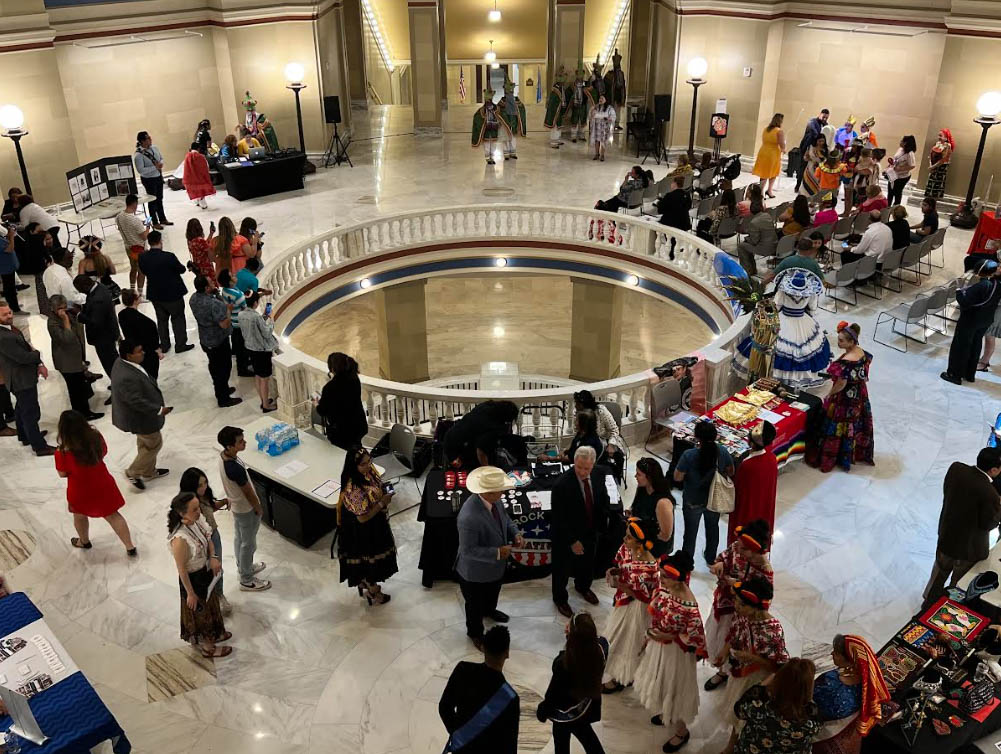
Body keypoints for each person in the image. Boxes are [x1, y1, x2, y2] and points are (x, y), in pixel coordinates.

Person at [634, 550, 707, 752]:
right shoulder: (664, 590)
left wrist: (672, 637)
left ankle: (681, 730)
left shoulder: (689, 607)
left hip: (677, 655)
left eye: (666, 577)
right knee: (661, 681)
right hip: (659, 647)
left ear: (679, 579)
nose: (661, 579)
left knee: (675, 688)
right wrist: (650, 636)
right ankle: (667, 712)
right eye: (662, 575)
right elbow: (656, 613)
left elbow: (696, 641)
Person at [922, 447, 1001, 608]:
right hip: (969, 549)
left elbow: (947, 493)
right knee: (957, 583)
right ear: (993, 470)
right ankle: (945, 609)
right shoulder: (990, 493)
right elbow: (988, 524)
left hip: (947, 535)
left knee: (938, 573)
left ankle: (928, 603)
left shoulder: (956, 469)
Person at [455, 466, 524, 646]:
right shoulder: (468, 517)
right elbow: (467, 550)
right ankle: (475, 632)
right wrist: (498, 553)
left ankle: (490, 610)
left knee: (492, 593)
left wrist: (515, 533)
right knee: (474, 605)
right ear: (487, 492)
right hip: (475, 573)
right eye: (499, 490)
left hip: (494, 568)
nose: (502, 492)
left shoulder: (496, 501)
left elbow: (506, 520)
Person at [716, 576, 790, 740]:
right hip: (739, 672)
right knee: (736, 712)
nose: (737, 606)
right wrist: (724, 651)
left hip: (755, 680)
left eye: (742, 604)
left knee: (745, 716)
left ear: (757, 607)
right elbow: (734, 633)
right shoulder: (742, 614)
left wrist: (752, 658)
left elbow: (779, 668)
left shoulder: (772, 631)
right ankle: (732, 743)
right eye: (736, 601)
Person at [703, 520, 774, 694]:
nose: (738, 550)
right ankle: (722, 672)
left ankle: (730, 673)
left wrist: (736, 584)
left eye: (744, 549)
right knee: (719, 638)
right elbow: (724, 558)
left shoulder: (765, 571)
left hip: (743, 615)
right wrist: (720, 564)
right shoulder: (738, 546)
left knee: (734, 645)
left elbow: (763, 602)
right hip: (724, 604)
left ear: (755, 549)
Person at [55, 409, 135, 554]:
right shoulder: (96, 438)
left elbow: (62, 473)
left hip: (79, 490)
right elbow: (104, 452)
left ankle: (83, 541)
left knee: (79, 515)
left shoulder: (62, 452)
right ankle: (130, 546)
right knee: (113, 515)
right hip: (103, 483)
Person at [735, 269, 832, 388]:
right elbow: (812, 309)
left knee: (771, 346)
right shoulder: (810, 294)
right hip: (803, 321)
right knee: (803, 351)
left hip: (783, 319)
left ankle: (769, 377)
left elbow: (776, 305)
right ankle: (793, 381)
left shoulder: (783, 291)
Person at [167, 492, 231, 658]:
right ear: (182, 513)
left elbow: (208, 538)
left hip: (206, 572)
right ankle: (208, 647)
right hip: (193, 580)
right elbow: (181, 569)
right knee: (201, 613)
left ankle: (217, 633)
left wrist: (214, 556)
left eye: (198, 507)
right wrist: (190, 593)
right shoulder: (180, 540)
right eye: (194, 509)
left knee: (212, 605)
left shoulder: (196, 520)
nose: (199, 512)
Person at [551, 446, 612, 617]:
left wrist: (603, 520)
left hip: (591, 531)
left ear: (593, 464)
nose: (583, 472)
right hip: (567, 536)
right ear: (574, 463)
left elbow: (603, 498)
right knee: (562, 570)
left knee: (587, 563)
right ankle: (560, 599)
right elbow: (558, 518)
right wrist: (572, 541)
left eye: (587, 468)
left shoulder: (599, 474)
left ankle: (583, 587)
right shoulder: (561, 485)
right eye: (579, 467)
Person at [601, 518, 660, 694]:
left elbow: (644, 596)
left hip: (636, 609)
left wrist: (621, 586)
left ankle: (621, 677)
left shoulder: (649, 567)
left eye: (629, 538)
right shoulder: (627, 550)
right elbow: (621, 566)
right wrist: (614, 572)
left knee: (628, 642)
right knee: (616, 638)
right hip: (622, 601)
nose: (624, 540)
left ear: (640, 542)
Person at [806, 323, 874, 473]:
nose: (838, 343)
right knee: (854, 424)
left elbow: (842, 383)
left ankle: (831, 457)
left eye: (842, 340)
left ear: (851, 342)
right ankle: (849, 453)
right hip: (860, 394)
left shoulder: (846, 362)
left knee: (837, 426)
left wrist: (830, 393)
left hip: (845, 399)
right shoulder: (861, 353)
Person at [536, 612, 609, 754]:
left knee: (562, 746)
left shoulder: (563, 663)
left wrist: (543, 710)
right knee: (588, 738)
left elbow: (553, 695)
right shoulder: (601, 648)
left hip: (564, 713)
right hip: (585, 705)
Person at [440, 625, 519, 753]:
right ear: (507, 653)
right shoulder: (511, 698)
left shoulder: (463, 670)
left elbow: (444, 707)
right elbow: (509, 746)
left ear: (483, 648)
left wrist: (459, 734)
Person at [336, 445, 398, 605]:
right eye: (363, 464)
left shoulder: (368, 473)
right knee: (369, 561)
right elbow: (362, 518)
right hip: (364, 530)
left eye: (369, 461)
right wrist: (382, 503)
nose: (368, 466)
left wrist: (384, 491)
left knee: (370, 561)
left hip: (375, 523)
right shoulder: (353, 489)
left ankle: (366, 582)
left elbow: (376, 485)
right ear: (354, 466)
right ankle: (372, 589)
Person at [813, 634, 890, 754]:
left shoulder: (831, 681)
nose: (831, 654)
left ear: (850, 660)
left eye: (837, 653)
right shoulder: (867, 683)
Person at [217, 425, 271, 592]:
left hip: (237, 507)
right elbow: (248, 491)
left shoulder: (223, 457)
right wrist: (258, 508)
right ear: (229, 446)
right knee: (249, 543)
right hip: (246, 508)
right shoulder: (234, 468)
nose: (244, 443)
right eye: (240, 442)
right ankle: (246, 579)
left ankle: (243, 567)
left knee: (240, 539)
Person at [111, 339, 170, 490]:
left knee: (145, 444)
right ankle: (133, 472)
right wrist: (158, 410)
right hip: (140, 418)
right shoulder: (127, 377)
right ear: (129, 355)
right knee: (154, 443)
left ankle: (148, 471)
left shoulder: (121, 362)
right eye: (139, 351)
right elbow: (136, 401)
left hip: (138, 417)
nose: (143, 353)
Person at [673, 420, 734, 566]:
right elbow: (731, 470)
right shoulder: (722, 451)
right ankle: (710, 557)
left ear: (697, 437)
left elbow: (677, 477)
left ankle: (687, 561)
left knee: (690, 534)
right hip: (714, 499)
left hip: (693, 500)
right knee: (713, 528)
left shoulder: (689, 455)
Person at [732, 659, 820, 754]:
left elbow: (738, 710)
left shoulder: (757, 709)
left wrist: (761, 686)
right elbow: (814, 716)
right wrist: (806, 696)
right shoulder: (810, 723)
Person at [0, 300, 55, 454]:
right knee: (30, 412)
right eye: (5, 315)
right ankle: (39, 446)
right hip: (20, 379)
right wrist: (37, 354)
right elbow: (23, 357)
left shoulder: (9, 329)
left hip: (18, 377)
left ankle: (25, 436)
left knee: (20, 408)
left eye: (10, 312)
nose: (10, 316)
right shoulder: (3, 337)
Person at [178, 467, 232, 615]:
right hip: (199, 541)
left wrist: (223, 502)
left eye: (205, 483)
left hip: (213, 535)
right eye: (200, 485)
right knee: (204, 572)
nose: (204, 487)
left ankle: (219, 595)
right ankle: (208, 599)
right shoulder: (189, 503)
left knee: (217, 568)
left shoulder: (204, 496)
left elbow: (211, 507)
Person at [941, 259, 1001, 385]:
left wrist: (958, 291)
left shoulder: (982, 285)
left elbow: (964, 301)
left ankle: (954, 375)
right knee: (975, 344)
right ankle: (969, 374)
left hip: (971, 320)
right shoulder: (997, 283)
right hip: (986, 320)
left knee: (961, 346)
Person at [189, 275, 242, 408]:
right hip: (218, 340)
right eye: (211, 282)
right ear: (206, 288)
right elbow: (224, 324)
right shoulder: (213, 304)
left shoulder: (193, 299)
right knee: (223, 368)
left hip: (205, 339)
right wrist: (228, 311)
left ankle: (222, 389)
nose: (213, 282)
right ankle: (223, 398)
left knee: (215, 366)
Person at [138, 231, 191, 355]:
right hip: (173, 294)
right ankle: (180, 344)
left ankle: (165, 344)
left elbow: (143, 271)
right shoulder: (168, 256)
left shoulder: (143, 257)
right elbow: (181, 269)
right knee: (178, 318)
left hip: (155, 294)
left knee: (161, 320)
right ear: (160, 241)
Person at [48, 296, 101, 419]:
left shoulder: (68, 313)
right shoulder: (53, 323)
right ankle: (83, 414)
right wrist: (65, 320)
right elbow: (67, 339)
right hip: (67, 363)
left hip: (75, 358)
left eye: (65, 306)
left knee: (80, 387)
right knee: (76, 391)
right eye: (60, 308)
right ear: (53, 309)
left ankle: (84, 411)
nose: (64, 310)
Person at [729, 422, 777, 543]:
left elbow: (738, 488)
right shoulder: (772, 458)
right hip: (763, 505)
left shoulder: (748, 465)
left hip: (747, 508)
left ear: (751, 442)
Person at [443, 399, 521, 469]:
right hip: (456, 448)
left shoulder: (487, 405)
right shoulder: (493, 426)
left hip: (450, 435)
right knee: (467, 472)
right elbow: (480, 450)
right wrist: (487, 468)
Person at [73, 274, 120, 385]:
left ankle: (118, 388)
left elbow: (95, 322)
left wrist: (78, 314)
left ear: (85, 285)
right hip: (108, 333)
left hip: (104, 337)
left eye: (79, 289)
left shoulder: (98, 299)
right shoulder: (100, 287)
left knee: (110, 364)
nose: (79, 291)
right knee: (113, 362)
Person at [316, 352, 368, 450]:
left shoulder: (330, 388)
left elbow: (322, 410)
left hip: (341, 431)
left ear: (332, 369)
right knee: (356, 451)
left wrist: (316, 404)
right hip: (358, 425)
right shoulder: (354, 379)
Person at [239, 293, 278, 412]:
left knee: (257, 376)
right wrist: (271, 319)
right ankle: (266, 406)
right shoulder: (255, 317)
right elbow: (266, 333)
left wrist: (265, 316)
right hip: (262, 351)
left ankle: (263, 400)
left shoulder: (241, 314)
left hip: (251, 348)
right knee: (265, 378)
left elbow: (257, 325)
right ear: (255, 303)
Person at [629, 457, 675, 557]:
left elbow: (665, 536)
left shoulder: (662, 503)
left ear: (649, 477)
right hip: (640, 540)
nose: (635, 476)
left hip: (654, 549)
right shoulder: (642, 488)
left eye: (639, 474)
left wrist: (643, 531)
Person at [117, 289, 162, 380]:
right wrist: (158, 351)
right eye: (139, 296)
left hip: (133, 349)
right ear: (135, 300)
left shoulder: (122, 315)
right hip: (147, 353)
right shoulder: (147, 322)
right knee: (151, 377)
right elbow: (153, 340)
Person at [217, 268, 252, 377]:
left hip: (233, 321)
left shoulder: (225, 291)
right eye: (232, 275)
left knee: (238, 345)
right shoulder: (238, 295)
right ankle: (243, 369)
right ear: (229, 281)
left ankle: (243, 362)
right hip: (240, 323)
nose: (235, 275)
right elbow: (245, 308)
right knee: (242, 346)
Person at [133, 131, 170, 228]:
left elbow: (161, 158)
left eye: (150, 137)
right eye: (148, 138)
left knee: (159, 199)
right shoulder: (138, 155)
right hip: (149, 180)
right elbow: (141, 170)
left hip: (158, 176)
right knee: (152, 201)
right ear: (142, 141)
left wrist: (160, 163)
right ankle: (154, 222)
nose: (150, 139)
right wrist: (155, 167)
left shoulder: (155, 148)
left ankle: (162, 218)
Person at [115, 194, 150, 294]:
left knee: (133, 269)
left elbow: (125, 227)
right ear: (135, 204)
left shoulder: (119, 216)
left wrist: (140, 225)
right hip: (139, 249)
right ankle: (140, 294)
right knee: (142, 272)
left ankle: (132, 289)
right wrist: (147, 227)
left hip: (128, 248)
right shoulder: (135, 220)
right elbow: (144, 236)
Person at [736, 200, 778, 276]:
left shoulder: (754, 222)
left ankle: (747, 270)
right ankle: (752, 269)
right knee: (747, 245)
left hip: (764, 248)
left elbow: (754, 241)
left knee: (742, 246)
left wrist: (747, 238)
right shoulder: (767, 215)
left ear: (751, 211)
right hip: (774, 245)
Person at [656, 176, 692, 257]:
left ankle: (671, 253)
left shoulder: (669, 195)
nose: (671, 185)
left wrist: (660, 203)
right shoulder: (687, 194)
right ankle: (674, 249)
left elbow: (660, 210)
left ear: (675, 183)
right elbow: (688, 207)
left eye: (672, 183)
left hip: (671, 223)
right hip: (683, 222)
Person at [43, 247, 86, 314]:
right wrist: (87, 296)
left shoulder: (47, 271)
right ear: (61, 260)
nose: (72, 261)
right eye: (69, 258)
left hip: (53, 307)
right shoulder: (64, 278)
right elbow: (72, 298)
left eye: (71, 258)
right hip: (67, 311)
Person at [752, 113, 785, 198]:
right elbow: (782, 145)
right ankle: (769, 190)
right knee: (773, 172)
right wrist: (784, 149)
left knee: (764, 172)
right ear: (780, 121)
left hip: (763, 151)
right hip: (773, 154)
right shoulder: (779, 131)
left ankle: (761, 191)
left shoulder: (766, 129)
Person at [796, 109, 829, 192]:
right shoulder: (812, 122)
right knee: (803, 167)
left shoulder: (826, 125)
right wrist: (820, 137)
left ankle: (813, 186)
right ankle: (798, 185)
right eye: (824, 117)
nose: (825, 119)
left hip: (818, 149)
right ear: (820, 114)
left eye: (826, 118)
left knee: (815, 170)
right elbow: (814, 134)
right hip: (808, 147)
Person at [76, 235, 118, 300]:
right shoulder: (106, 258)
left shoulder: (83, 263)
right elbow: (113, 271)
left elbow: (81, 279)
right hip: (108, 289)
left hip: (93, 291)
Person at [182, 142, 215, 210]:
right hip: (199, 177)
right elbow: (205, 166)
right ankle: (203, 205)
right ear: (198, 148)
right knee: (201, 191)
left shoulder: (187, 156)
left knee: (194, 190)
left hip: (190, 177)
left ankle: (196, 201)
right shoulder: (200, 156)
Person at [886, 135, 917, 206]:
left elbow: (912, 165)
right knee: (890, 192)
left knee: (897, 193)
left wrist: (900, 169)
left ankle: (895, 208)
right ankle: (887, 207)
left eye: (902, 141)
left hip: (902, 176)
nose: (900, 142)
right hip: (893, 174)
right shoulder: (900, 149)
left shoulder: (910, 153)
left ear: (906, 143)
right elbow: (896, 159)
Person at [925, 128, 954, 199]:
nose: (939, 137)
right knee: (930, 183)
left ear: (946, 137)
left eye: (941, 136)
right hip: (933, 165)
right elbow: (930, 155)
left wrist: (933, 166)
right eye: (939, 135)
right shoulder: (937, 144)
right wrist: (931, 165)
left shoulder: (947, 146)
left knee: (937, 185)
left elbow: (943, 159)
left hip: (941, 167)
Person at [186, 218, 216, 284]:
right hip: (206, 267)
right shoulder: (200, 240)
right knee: (211, 284)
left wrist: (211, 234)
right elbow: (208, 251)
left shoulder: (189, 241)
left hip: (198, 267)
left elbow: (204, 245)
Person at [0, 223, 20, 313]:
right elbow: (9, 249)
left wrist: (9, 235)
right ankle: (14, 308)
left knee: (10, 287)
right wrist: (11, 237)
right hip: (5, 267)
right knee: (10, 288)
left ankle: (12, 304)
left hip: (8, 266)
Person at [589, 95, 615, 161]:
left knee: (603, 141)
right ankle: (597, 154)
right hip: (597, 126)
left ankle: (602, 155)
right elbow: (592, 114)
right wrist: (593, 112)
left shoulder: (609, 108)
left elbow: (613, 117)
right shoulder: (596, 107)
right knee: (597, 140)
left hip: (604, 127)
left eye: (602, 98)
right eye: (600, 98)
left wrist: (607, 118)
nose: (600, 99)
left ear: (606, 100)